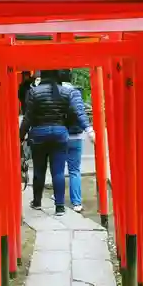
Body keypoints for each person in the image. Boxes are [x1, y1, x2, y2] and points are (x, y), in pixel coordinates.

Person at [19, 69, 94, 216]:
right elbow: (76, 112)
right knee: (58, 171)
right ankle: (59, 207)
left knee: (39, 171)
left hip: (39, 133)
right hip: (60, 133)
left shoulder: (34, 92)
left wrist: (20, 136)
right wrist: (88, 129)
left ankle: (37, 202)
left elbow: (28, 118)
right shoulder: (65, 92)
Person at [60, 69, 87, 212]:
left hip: (60, 136)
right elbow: (80, 112)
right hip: (76, 136)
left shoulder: (56, 91)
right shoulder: (75, 93)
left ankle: (58, 197)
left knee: (57, 169)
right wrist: (88, 128)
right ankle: (76, 202)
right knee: (74, 170)